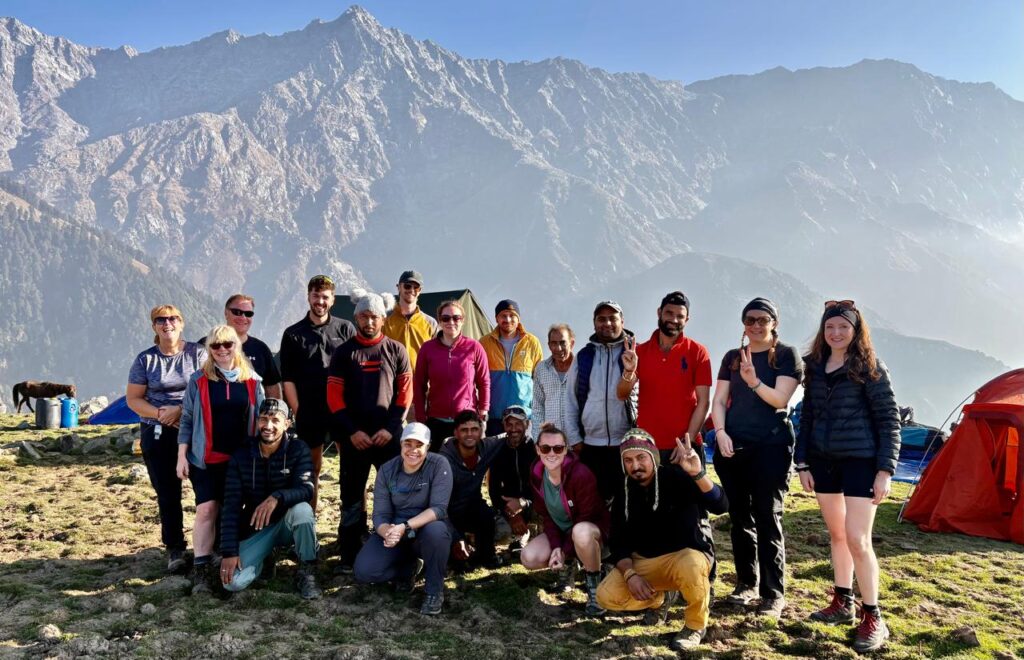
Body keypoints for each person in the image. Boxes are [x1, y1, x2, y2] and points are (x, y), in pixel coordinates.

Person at [796, 300, 900, 653]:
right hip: (823, 462)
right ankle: (843, 602)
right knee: (837, 535)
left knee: (858, 539)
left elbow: (889, 419)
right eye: (830, 327)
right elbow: (806, 416)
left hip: (861, 461)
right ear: (823, 331)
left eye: (843, 327)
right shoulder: (815, 367)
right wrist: (803, 463)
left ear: (856, 330)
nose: (836, 333)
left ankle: (873, 615)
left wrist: (885, 470)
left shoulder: (870, 367)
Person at [596, 430, 728, 651]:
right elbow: (618, 543)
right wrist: (630, 576)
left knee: (693, 565)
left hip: (684, 558)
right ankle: (659, 599)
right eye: (628, 460)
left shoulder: (677, 477)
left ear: (653, 456)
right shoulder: (624, 490)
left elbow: (720, 506)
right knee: (605, 596)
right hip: (645, 563)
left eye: (641, 458)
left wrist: (697, 474)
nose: (635, 465)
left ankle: (695, 626)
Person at [711, 298, 802, 617]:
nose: (756, 325)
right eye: (750, 320)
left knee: (767, 516)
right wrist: (720, 431)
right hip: (733, 447)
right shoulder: (733, 357)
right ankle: (746, 584)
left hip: (772, 448)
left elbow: (780, 398)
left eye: (763, 319)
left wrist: (753, 382)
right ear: (743, 324)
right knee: (740, 518)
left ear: (774, 322)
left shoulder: (787, 356)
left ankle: (773, 593)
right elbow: (719, 400)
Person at [327, 289, 412, 571]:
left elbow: (404, 394)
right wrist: (351, 431)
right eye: (364, 315)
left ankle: (397, 547)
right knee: (351, 495)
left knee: (396, 494)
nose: (369, 321)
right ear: (356, 317)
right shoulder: (343, 353)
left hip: (388, 437)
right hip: (355, 439)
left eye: (375, 316)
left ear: (384, 318)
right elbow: (334, 397)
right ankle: (349, 552)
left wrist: (391, 428)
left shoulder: (396, 350)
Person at [177, 325, 266, 593]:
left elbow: (263, 420)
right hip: (205, 459)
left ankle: (232, 555)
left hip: (241, 460)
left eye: (227, 344)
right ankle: (202, 567)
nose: (222, 350)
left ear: (236, 346)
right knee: (206, 510)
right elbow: (188, 419)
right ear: (209, 350)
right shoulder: (199, 380)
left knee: (235, 509)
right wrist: (181, 456)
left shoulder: (252, 381)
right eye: (215, 346)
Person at [126, 305, 207, 573]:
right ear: (154, 327)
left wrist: (181, 411)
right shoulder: (144, 360)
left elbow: (208, 390)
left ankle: (209, 546)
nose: (167, 323)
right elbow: (134, 399)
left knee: (206, 490)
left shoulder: (197, 353)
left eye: (172, 319)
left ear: (181, 323)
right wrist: (162, 414)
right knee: (167, 494)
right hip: (158, 430)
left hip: (196, 429)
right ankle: (175, 548)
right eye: (161, 320)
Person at [219, 398, 322, 600]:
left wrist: (277, 497)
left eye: (275, 420)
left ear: (287, 424)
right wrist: (229, 552)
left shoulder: (298, 449)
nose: (268, 426)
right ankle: (265, 558)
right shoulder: (242, 455)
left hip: (288, 524)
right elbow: (230, 506)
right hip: (257, 528)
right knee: (232, 582)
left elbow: (306, 489)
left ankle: (307, 569)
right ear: (257, 422)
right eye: (264, 419)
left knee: (303, 511)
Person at [354, 422, 454, 615]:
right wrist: (387, 533)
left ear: (428, 446)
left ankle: (434, 590)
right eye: (408, 444)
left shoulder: (439, 464)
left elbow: (439, 509)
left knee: (437, 531)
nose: (413, 450)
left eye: (419, 445)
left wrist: (405, 527)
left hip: (424, 529)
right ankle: (407, 570)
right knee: (364, 571)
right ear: (400, 444)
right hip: (395, 532)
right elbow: (380, 514)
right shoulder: (386, 470)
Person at [279, 274, 355, 511]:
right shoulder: (293, 334)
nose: (320, 301)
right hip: (309, 410)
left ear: (332, 300)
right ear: (308, 297)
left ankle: (354, 522)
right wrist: (298, 409)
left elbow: (356, 371)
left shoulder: (346, 328)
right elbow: (287, 379)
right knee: (311, 468)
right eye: (315, 296)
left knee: (351, 466)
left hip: (342, 409)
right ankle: (308, 520)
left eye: (325, 297)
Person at [521, 425, 610, 616]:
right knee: (528, 557)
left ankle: (595, 587)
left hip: (592, 532)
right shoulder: (536, 473)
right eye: (545, 448)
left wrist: (563, 549)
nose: (551, 453)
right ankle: (568, 564)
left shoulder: (580, 474)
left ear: (566, 449)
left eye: (558, 448)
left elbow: (586, 517)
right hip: (563, 532)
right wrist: (556, 546)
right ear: (537, 449)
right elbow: (547, 515)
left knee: (581, 532)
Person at [618, 291, 712, 464]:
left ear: (687, 320)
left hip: (685, 448)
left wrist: (687, 442)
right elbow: (622, 394)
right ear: (659, 312)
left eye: (680, 316)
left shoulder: (698, 351)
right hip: (648, 447)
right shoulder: (640, 352)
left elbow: (704, 402)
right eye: (669, 313)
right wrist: (629, 372)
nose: (674, 319)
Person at [564, 301, 637, 503]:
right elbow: (570, 399)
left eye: (612, 318)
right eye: (601, 319)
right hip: (590, 446)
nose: (607, 323)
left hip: (625, 444)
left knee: (626, 503)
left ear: (622, 321)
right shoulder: (584, 356)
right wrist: (574, 438)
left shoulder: (634, 353)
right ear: (594, 323)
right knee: (593, 502)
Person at [413, 299, 490, 452]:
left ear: (463, 321)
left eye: (456, 318)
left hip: (466, 423)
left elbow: (484, 382)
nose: (451, 322)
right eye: (446, 318)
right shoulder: (427, 349)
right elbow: (419, 384)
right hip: (436, 422)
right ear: (440, 321)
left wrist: (483, 414)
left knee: (466, 470)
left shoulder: (474, 347)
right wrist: (421, 418)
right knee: (436, 470)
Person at [439, 410, 505, 568]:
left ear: (481, 431)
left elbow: (506, 436)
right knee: (457, 563)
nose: (470, 434)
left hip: (472, 505)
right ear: (456, 432)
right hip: (447, 511)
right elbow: (437, 506)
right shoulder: (443, 460)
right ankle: (457, 550)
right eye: (464, 430)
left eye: (474, 429)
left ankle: (486, 556)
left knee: (487, 515)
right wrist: (456, 538)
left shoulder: (487, 446)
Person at [199, 294, 282, 399]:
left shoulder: (261, 349)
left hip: (251, 414)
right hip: (209, 413)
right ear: (226, 313)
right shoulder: (204, 345)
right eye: (237, 312)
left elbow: (272, 386)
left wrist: (276, 411)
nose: (243, 317)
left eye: (248, 314)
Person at [480, 299, 543, 435]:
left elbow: (539, 380)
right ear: (496, 318)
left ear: (518, 318)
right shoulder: (484, 343)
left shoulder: (532, 342)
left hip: (524, 416)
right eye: (503, 315)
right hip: (495, 416)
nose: (508, 319)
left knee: (525, 455)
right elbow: (478, 379)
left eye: (512, 315)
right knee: (496, 454)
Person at [488, 405, 536, 548]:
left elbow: (543, 488)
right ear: (503, 425)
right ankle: (520, 536)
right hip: (509, 507)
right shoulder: (498, 450)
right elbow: (493, 490)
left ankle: (536, 536)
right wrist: (512, 514)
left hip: (534, 504)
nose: (513, 429)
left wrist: (524, 502)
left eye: (518, 423)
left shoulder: (536, 448)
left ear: (527, 424)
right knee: (501, 533)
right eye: (509, 424)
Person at [382, 270, 438, 371]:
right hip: (393, 382)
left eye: (415, 287)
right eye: (407, 286)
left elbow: (437, 355)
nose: (411, 290)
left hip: (421, 383)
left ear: (420, 290)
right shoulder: (384, 320)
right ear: (398, 287)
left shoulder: (431, 323)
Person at [532, 324, 575, 433]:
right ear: (549, 346)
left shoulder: (581, 367)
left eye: (562, 343)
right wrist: (539, 438)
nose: (558, 348)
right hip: (551, 443)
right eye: (554, 343)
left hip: (578, 442)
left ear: (572, 343)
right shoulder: (541, 369)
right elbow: (537, 408)